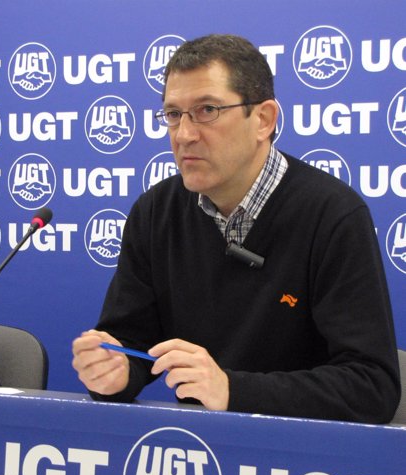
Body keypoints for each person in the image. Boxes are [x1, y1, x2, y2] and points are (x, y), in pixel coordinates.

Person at [71, 34, 401, 423]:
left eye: (206, 110)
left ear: (263, 120)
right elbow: (130, 343)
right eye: (173, 114)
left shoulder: (332, 214)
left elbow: (370, 387)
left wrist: (232, 390)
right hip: (194, 451)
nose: (184, 134)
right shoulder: (155, 212)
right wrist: (115, 371)